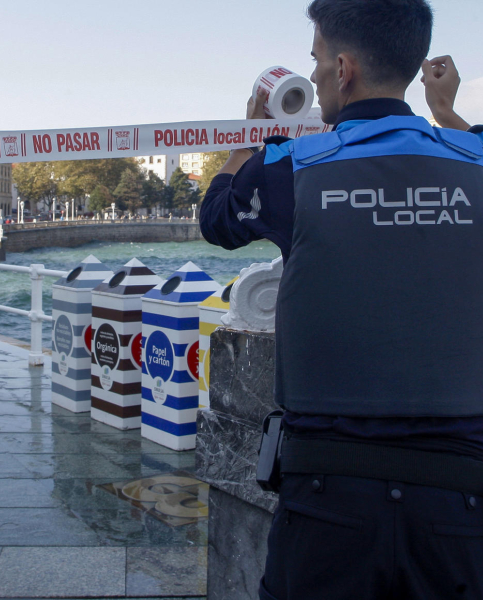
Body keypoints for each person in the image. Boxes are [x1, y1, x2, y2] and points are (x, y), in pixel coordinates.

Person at [199, 1, 483, 598]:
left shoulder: (294, 165)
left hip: (326, 497)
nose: (318, 75)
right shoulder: (474, 159)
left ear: (344, 68)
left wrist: (249, 133)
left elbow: (218, 217)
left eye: (319, 60)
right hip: (462, 501)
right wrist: (445, 111)